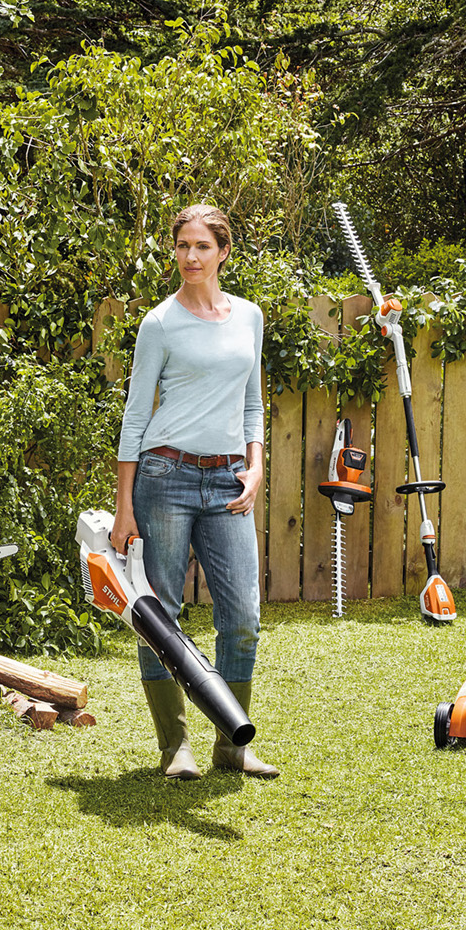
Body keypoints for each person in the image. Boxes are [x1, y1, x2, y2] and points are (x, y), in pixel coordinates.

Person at [111, 204, 277, 780]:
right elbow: (135, 419)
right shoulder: (159, 324)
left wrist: (256, 467)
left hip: (229, 480)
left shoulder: (249, 317)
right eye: (182, 246)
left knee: (243, 617)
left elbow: (253, 404)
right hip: (165, 477)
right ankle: (174, 746)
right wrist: (123, 505)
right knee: (162, 614)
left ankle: (232, 745)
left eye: (201, 246)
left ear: (224, 252)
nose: (189, 257)